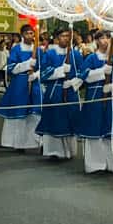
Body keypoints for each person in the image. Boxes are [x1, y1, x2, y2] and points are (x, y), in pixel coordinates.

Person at [76, 31, 113, 174]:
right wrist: (101, 71)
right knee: (94, 127)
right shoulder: (91, 58)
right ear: (97, 41)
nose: (105, 41)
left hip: (109, 97)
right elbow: (84, 75)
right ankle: (95, 164)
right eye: (102, 38)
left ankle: (112, 164)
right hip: (94, 96)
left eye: (107, 38)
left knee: (109, 127)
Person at [36, 29, 83, 160]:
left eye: (68, 36)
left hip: (70, 91)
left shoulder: (76, 54)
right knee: (54, 118)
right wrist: (60, 71)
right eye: (62, 36)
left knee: (70, 118)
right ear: (57, 38)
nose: (66, 38)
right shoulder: (50, 53)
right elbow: (43, 73)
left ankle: (69, 151)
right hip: (54, 91)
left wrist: (73, 81)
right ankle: (53, 151)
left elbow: (82, 71)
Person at [0, 25, 42, 151]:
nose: (30, 36)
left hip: (34, 83)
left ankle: (32, 142)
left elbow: (44, 67)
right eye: (27, 33)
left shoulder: (37, 49)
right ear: (22, 34)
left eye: (32, 33)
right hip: (19, 84)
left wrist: (36, 74)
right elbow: (11, 68)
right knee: (18, 113)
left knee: (34, 113)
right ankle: (16, 142)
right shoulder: (16, 49)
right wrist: (27, 64)